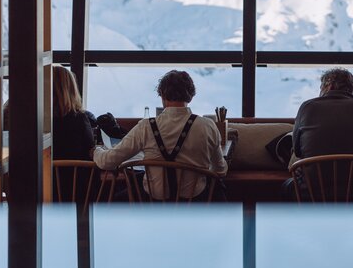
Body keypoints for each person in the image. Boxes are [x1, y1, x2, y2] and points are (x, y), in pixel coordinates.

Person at [92, 70, 226, 201]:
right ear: (191, 96)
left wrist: (96, 151)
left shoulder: (146, 127)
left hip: (152, 203)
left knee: (120, 195)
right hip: (196, 204)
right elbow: (220, 171)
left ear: (162, 95)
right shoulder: (208, 126)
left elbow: (107, 161)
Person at [292, 68, 353, 159]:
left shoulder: (306, 107)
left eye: (321, 88)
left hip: (311, 168)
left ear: (329, 86)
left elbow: (297, 150)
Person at [51, 65, 95, 162]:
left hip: (44, 171)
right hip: (78, 171)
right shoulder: (80, 118)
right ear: (71, 88)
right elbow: (90, 151)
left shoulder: (39, 120)